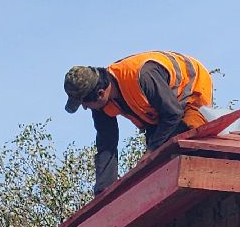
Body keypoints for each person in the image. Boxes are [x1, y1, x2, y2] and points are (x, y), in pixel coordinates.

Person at [63, 50, 216, 194]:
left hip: (190, 92)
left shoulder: (142, 76)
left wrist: (151, 150)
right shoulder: (100, 105)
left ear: (100, 94)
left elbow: (173, 113)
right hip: (158, 111)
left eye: (84, 103)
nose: (84, 108)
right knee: (153, 165)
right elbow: (106, 145)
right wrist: (103, 192)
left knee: (182, 139)